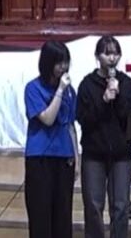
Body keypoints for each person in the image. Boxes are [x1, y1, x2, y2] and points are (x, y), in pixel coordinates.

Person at [76, 36, 131, 238]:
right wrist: (103, 100)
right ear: (97, 56)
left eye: (115, 53)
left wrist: (117, 96)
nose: (112, 58)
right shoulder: (87, 84)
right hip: (94, 154)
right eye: (107, 53)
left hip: (121, 155)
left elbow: (129, 118)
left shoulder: (127, 84)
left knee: (120, 207)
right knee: (93, 207)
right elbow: (84, 119)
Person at [24, 41, 77, 238]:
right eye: (59, 63)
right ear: (47, 63)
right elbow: (47, 119)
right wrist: (60, 91)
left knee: (63, 218)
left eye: (66, 62)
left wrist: (76, 159)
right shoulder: (33, 88)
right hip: (40, 159)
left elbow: (70, 125)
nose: (64, 67)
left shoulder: (71, 91)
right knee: (40, 216)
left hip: (64, 158)